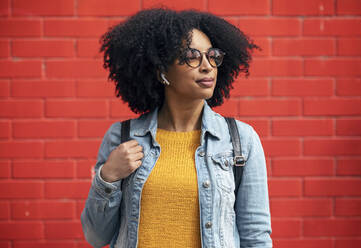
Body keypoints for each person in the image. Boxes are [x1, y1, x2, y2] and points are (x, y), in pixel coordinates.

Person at [81, 8, 272, 248]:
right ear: (162, 71)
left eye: (212, 56)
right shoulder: (123, 139)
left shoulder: (240, 141)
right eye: (192, 56)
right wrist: (108, 177)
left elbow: (256, 237)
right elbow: (95, 237)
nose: (207, 66)